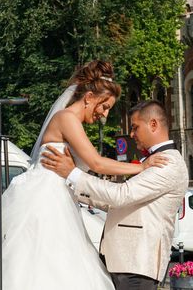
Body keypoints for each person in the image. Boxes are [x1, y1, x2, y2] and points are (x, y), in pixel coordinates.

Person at [1, 60, 167, 290]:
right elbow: (96, 163)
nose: (104, 114)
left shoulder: (72, 122)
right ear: (89, 97)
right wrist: (142, 166)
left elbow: (83, 168)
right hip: (44, 201)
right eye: (104, 106)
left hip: (61, 200)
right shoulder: (66, 118)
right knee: (45, 266)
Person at [41, 100, 189, 290]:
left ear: (153, 124)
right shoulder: (154, 160)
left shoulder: (168, 163)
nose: (132, 134)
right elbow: (115, 203)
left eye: (135, 127)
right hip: (124, 261)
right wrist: (69, 188)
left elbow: (121, 195)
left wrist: (73, 173)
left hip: (136, 264)